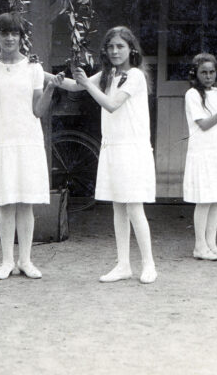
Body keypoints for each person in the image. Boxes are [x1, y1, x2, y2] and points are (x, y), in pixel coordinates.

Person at [53, 26, 157, 283]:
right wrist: (38, 72)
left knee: (134, 207)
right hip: (113, 148)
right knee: (118, 207)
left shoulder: (135, 76)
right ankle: (123, 264)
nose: (115, 51)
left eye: (120, 46)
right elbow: (74, 87)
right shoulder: (109, 74)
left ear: (131, 49)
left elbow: (111, 105)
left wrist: (88, 83)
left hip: (132, 149)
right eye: (111, 47)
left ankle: (149, 265)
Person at [0, 13, 53, 280]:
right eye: (4, 33)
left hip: (28, 140)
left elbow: (38, 110)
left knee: (25, 203)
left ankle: (26, 260)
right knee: (6, 203)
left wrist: (51, 89)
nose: (9, 38)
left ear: (21, 37)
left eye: (14, 33)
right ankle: (6, 261)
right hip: (2, 140)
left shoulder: (33, 67)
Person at [182, 52, 217, 261]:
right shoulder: (192, 95)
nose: (208, 76)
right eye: (203, 73)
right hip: (202, 152)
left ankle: (211, 244)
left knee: (216, 198)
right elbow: (204, 124)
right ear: (195, 74)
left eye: (212, 72)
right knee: (204, 199)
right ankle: (199, 246)